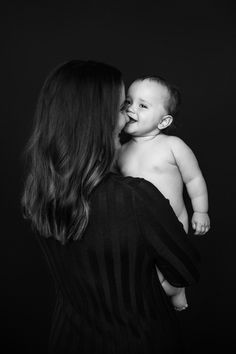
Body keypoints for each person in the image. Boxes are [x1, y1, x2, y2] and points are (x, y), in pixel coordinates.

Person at [21, 61, 200, 354]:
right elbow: (185, 270)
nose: (127, 118)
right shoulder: (135, 198)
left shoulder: (38, 191)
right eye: (121, 107)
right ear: (97, 120)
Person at [117, 76, 209, 312]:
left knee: (166, 267)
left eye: (143, 105)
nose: (131, 109)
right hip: (137, 225)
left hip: (171, 223)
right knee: (141, 269)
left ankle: (177, 289)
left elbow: (194, 178)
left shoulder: (172, 145)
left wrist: (201, 210)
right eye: (128, 102)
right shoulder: (121, 151)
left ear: (164, 121)